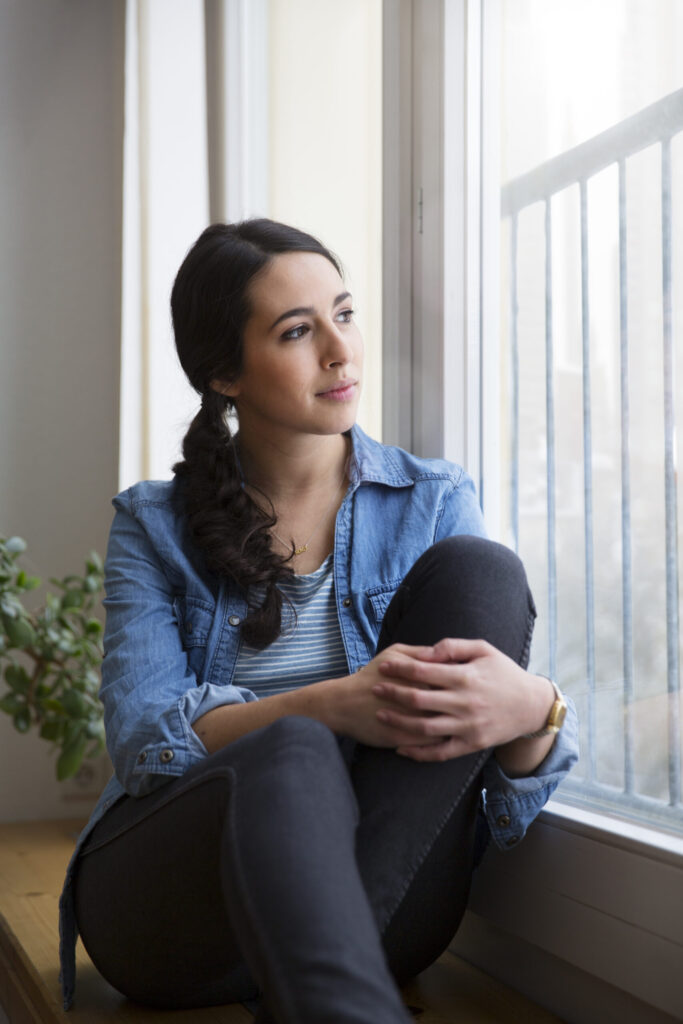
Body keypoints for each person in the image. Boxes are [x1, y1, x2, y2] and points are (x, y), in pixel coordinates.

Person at [59, 218, 578, 1023]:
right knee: (294, 747)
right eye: (298, 331)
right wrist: (327, 705)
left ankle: (326, 992)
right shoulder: (154, 525)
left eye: (344, 313)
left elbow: (491, 787)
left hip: (388, 899)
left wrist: (533, 710)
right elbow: (141, 740)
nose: (340, 351)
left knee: (482, 572)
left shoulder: (434, 501)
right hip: (173, 919)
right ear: (224, 372)